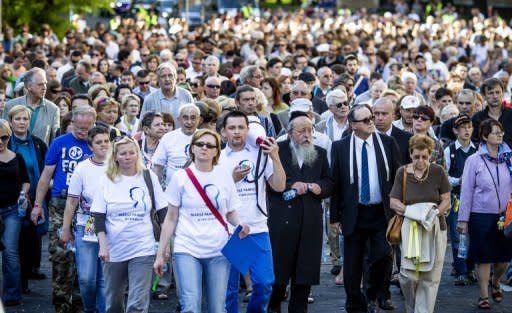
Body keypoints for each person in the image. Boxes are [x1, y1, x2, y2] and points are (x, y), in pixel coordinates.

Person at [154, 129, 250, 312]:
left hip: (218, 249)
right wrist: (161, 254)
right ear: (192, 148)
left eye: (210, 145)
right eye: (200, 144)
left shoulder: (223, 175)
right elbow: (171, 218)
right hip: (187, 247)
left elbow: (230, 212)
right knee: (190, 306)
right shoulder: (180, 177)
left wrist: (241, 224)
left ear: (216, 151)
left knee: (217, 308)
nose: (204, 148)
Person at [330, 104, 401, 313]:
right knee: (352, 263)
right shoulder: (340, 147)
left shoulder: (387, 143)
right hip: (354, 212)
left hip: (381, 212)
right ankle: (355, 302)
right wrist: (334, 217)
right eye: (366, 120)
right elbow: (336, 184)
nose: (372, 122)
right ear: (353, 125)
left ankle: (372, 294)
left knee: (382, 256)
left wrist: (398, 208)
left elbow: (398, 176)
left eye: (371, 117)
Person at [90, 136, 168, 313]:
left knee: (137, 303)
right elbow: (98, 216)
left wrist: (165, 245)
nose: (128, 157)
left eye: (132, 153)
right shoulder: (106, 180)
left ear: (137, 154)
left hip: (143, 246)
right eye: (123, 153)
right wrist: (103, 246)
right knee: (113, 303)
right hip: (114, 248)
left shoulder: (149, 177)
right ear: (115, 156)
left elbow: (164, 213)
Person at [31, 105, 97, 313]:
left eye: (87, 128)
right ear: (72, 123)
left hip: (89, 205)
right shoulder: (60, 143)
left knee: (85, 254)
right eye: (78, 127)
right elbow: (45, 176)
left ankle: (80, 302)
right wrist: (37, 205)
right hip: (61, 202)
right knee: (61, 253)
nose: (82, 132)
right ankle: (61, 302)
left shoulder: (99, 144)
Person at [219, 110, 286, 313]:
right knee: (228, 290)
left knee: (264, 283)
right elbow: (212, 196)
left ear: (248, 130)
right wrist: (232, 180)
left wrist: (275, 157)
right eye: (232, 128)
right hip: (228, 231)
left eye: (241, 127)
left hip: (257, 228)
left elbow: (279, 186)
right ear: (223, 132)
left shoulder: (259, 154)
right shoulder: (218, 158)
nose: (237, 132)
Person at [267, 113, 332, 312]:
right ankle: (273, 306)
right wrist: (291, 185)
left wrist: (318, 187)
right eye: (301, 131)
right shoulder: (279, 152)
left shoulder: (319, 153)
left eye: (310, 131)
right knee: (279, 270)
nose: (307, 135)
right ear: (289, 133)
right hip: (283, 220)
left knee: (304, 272)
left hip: (310, 220)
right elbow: (269, 182)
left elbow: (328, 181)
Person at [389, 134, 451, 313]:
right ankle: (411, 306)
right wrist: (411, 212)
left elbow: (446, 199)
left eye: (425, 157)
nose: (420, 161)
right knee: (409, 275)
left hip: (435, 228)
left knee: (430, 276)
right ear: (410, 154)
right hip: (411, 229)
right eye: (416, 157)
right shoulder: (402, 172)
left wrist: (435, 213)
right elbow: (394, 201)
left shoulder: (438, 171)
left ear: (430, 155)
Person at [457, 119, 512, 310]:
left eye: (501, 131)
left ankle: (495, 281)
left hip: (505, 215)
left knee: (504, 257)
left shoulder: (509, 157)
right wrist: (463, 219)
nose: (500, 134)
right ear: (484, 136)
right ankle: (483, 295)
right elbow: (466, 191)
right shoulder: (474, 160)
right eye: (495, 132)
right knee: (484, 257)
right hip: (480, 215)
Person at [60, 126, 110, 313]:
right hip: (85, 225)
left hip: (111, 227)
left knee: (104, 278)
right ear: (90, 146)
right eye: (99, 142)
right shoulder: (82, 168)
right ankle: (90, 309)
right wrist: (66, 228)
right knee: (86, 278)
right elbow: (72, 201)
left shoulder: (117, 166)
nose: (103, 145)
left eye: (106, 141)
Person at [7, 105, 48, 293]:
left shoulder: (39, 144)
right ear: (10, 121)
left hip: (35, 198)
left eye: (25, 119)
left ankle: (23, 279)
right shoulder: (5, 144)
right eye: (18, 119)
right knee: (13, 244)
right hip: (11, 200)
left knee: (30, 241)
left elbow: (46, 171)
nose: (22, 122)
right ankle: (17, 284)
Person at [0, 119, 30, 306]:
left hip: (12, 210)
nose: (0, 141)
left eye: (4, 137)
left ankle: (11, 294)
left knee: (10, 251)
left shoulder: (16, 157)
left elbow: (26, 180)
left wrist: (23, 193)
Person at [3, 67, 60, 145]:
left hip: (41, 156)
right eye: (40, 84)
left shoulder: (53, 109)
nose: (44, 87)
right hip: (14, 155)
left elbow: (54, 141)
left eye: (45, 83)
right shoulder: (10, 106)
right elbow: (3, 135)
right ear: (29, 86)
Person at [152, 104, 200, 187]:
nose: (189, 122)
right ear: (179, 119)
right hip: (172, 189)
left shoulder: (205, 137)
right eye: (185, 118)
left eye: (193, 118)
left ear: (199, 119)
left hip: (197, 189)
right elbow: (158, 166)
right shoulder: (168, 137)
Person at [472, 78, 512, 148]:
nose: (495, 96)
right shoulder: (477, 118)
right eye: (491, 93)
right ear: (484, 96)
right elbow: (474, 143)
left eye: (498, 92)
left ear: (502, 93)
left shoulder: (511, 114)